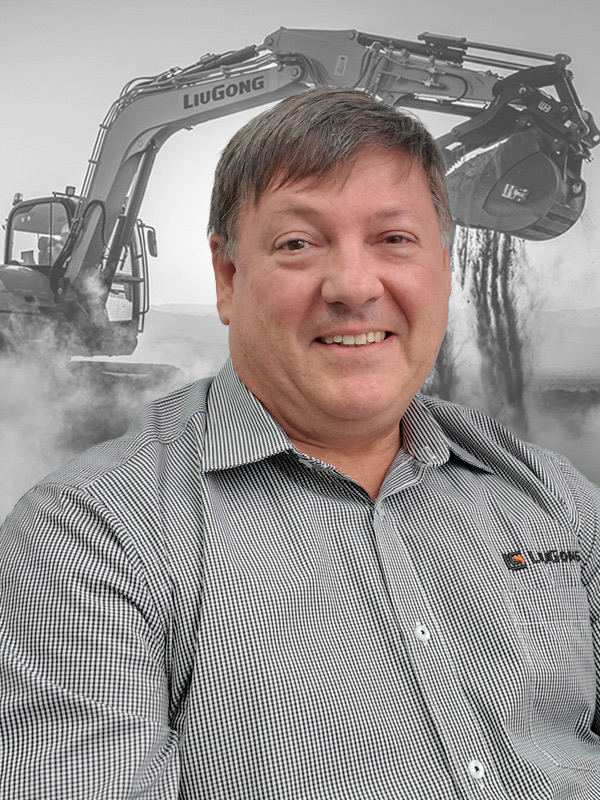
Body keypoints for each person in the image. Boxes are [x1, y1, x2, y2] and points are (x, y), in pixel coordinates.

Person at [1, 87, 600, 799]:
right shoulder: (88, 538)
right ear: (228, 278)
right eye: (298, 243)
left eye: (395, 239)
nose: (353, 286)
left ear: (445, 268)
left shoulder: (551, 494)